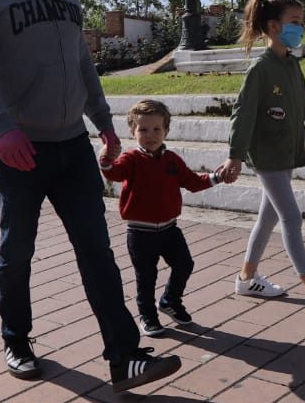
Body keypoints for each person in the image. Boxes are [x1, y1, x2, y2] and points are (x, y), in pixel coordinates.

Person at [0, 0, 181, 393]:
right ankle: (17, 339)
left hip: (73, 145)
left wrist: (103, 123)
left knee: (97, 251)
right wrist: (2, 127)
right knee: (18, 251)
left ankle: (124, 356)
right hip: (20, 149)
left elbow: (82, 64)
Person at [215, 0, 305, 314]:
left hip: (286, 151)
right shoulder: (260, 69)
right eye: (295, 22)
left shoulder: (291, 64)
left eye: (301, 22)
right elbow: (242, 113)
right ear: (273, 26)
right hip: (266, 154)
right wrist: (235, 155)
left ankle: (247, 279)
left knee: (268, 218)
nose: (300, 28)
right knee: (291, 217)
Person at [100, 99, 234, 337]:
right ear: (132, 132)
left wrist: (217, 176)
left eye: (156, 129)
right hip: (140, 233)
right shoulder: (131, 159)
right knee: (146, 277)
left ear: (166, 131)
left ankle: (170, 301)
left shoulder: (172, 159)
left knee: (185, 264)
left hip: (170, 230)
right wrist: (106, 159)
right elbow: (114, 173)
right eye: (142, 130)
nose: (150, 135)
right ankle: (147, 316)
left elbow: (193, 182)